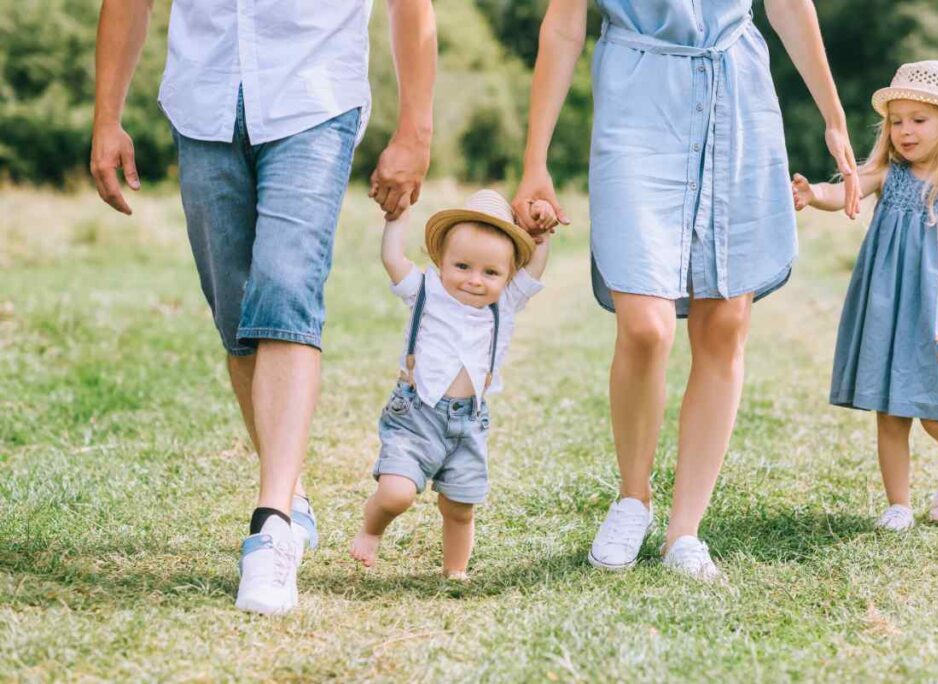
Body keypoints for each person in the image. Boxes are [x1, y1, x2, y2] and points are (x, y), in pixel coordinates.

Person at [89, 0, 437, 614]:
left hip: (315, 95)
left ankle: (271, 527)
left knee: (285, 292)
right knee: (239, 320)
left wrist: (416, 127)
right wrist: (107, 117)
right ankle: (293, 497)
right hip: (204, 100)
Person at [513, 0, 859, 580]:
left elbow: (789, 7)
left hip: (738, 97)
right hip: (638, 99)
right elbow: (564, 24)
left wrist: (833, 115)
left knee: (723, 324)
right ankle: (633, 499)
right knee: (645, 328)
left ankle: (685, 531)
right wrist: (535, 161)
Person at [793, 61, 938, 531]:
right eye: (896, 120)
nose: (904, 131)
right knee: (890, 410)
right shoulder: (888, 174)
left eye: (918, 120)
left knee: (934, 412)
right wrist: (814, 195)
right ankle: (899, 505)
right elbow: (843, 188)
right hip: (889, 310)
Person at [348, 191, 552, 579]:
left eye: (491, 273)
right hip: (416, 416)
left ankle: (454, 571)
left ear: (507, 276)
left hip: (468, 425)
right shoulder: (425, 290)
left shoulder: (504, 305)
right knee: (396, 493)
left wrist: (543, 235)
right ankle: (372, 529)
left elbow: (535, 270)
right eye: (461, 266)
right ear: (441, 260)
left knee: (460, 507)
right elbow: (393, 259)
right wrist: (398, 217)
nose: (475, 280)